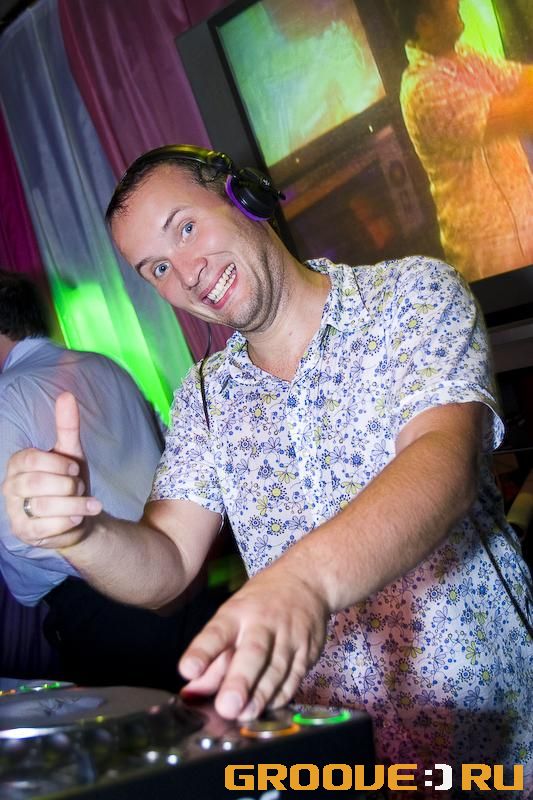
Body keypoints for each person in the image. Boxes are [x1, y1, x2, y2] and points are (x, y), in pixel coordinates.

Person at [2, 147, 532, 780]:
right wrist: (80, 534)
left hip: (492, 732)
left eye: (186, 228)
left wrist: (304, 582)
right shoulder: (204, 395)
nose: (187, 275)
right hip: (338, 752)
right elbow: (166, 565)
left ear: (243, 195)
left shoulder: (411, 294)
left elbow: (442, 462)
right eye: (158, 268)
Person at [0, 269, 223, 690]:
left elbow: (19, 533)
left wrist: (130, 573)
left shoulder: (5, 396)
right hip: (180, 578)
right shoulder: (105, 364)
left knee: (144, 728)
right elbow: (168, 454)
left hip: (106, 604)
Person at [395, 0, 533, 282]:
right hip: (491, 260)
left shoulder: (466, 56)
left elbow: (523, 78)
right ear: (424, 23)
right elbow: (523, 113)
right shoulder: (422, 90)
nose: (457, 1)